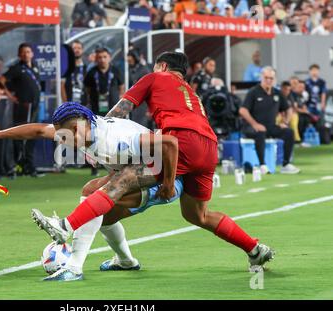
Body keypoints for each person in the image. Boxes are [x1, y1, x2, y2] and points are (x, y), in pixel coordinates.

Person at [31, 52, 275, 276]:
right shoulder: (190, 92)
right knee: (197, 214)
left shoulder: (154, 77)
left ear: (163, 66)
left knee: (115, 183)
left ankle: (65, 226)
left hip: (180, 143)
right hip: (210, 147)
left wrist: (96, 138)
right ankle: (254, 249)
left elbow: (118, 112)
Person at [0, 102, 182, 281]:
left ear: (78, 127)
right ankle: (125, 261)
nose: (63, 142)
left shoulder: (115, 140)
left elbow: (170, 143)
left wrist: (169, 185)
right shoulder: (77, 129)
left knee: (97, 200)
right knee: (96, 206)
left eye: (66, 136)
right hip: (129, 170)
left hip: (161, 175)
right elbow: (38, 130)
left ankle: (73, 261)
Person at [239, 67, 301, 175]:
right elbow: (243, 110)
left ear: (274, 79)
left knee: (289, 132)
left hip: (270, 126)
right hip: (251, 127)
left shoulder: (277, 93)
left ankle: (286, 164)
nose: (268, 80)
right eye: (266, 77)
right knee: (261, 131)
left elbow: (288, 109)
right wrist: (255, 124)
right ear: (261, 77)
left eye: (271, 78)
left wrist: (285, 122)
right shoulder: (253, 92)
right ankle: (262, 165)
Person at [0, 43, 43, 177]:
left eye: (28, 52)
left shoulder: (35, 67)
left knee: (34, 135)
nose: (26, 54)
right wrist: (10, 96)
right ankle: (20, 166)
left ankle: (29, 166)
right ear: (19, 55)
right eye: (23, 52)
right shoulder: (17, 68)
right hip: (24, 106)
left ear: (32, 53)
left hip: (35, 105)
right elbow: (1, 80)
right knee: (23, 135)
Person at [84, 47, 125, 175]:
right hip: (97, 112)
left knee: (113, 138)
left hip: (114, 112)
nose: (102, 60)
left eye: (104, 57)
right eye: (99, 57)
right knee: (96, 138)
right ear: (96, 59)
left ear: (109, 57)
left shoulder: (116, 71)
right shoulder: (91, 73)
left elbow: (121, 89)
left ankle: (115, 166)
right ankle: (94, 167)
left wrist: (120, 108)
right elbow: (88, 91)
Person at [61, 40, 88, 105]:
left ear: (82, 50)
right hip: (70, 104)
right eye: (74, 48)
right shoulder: (66, 68)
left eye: (79, 48)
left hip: (85, 105)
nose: (77, 50)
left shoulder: (87, 68)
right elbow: (62, 87)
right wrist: (66, 104)